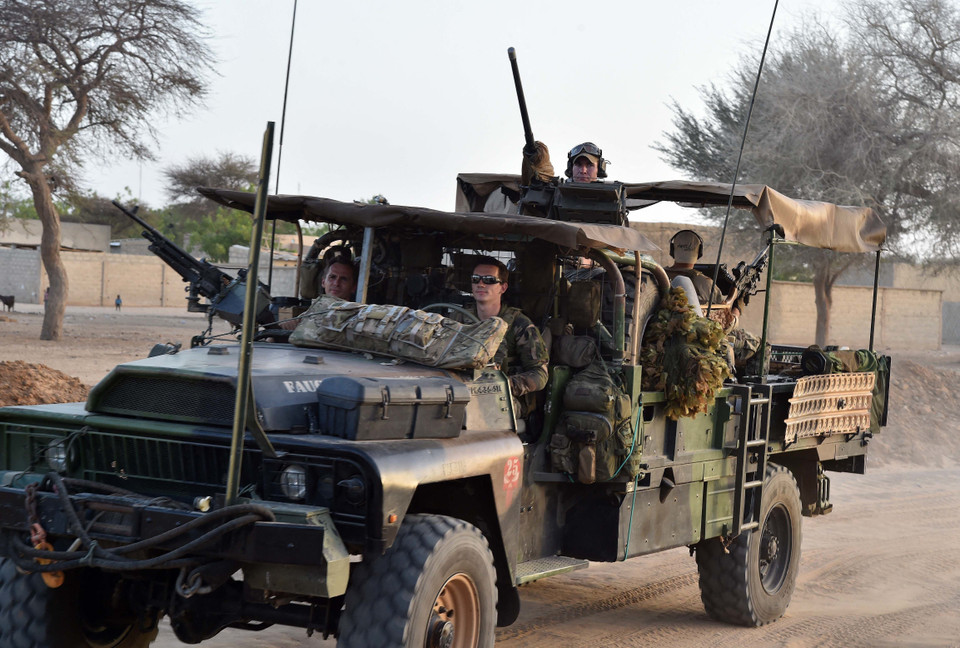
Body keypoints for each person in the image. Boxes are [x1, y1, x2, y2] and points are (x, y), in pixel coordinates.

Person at [665, 229, 761, 371]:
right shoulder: (705, 283)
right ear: (700, 252)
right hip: (698, 343)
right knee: (761, 344)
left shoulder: (659, 275)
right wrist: (738, 307)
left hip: (667, 337)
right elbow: (722, 326)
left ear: (673, 251)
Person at [470, 256, 548, 404]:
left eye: (489, 280)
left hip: (503, 399)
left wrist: (504, 385)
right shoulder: (459, 319)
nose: (480, 284)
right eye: (476, 279)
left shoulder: (519, 325)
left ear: (503, 287)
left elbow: (540, 374)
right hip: (460, 391)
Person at [280, 256, 358, 331]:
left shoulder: (357, 317)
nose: (336, 283)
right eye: (332, 277)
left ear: (353, 287)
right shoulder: (312, 312)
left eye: (343, 279)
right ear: (323, 282)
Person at [522, 141, 608, 185]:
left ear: (599, 168)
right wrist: (537, 157)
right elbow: (543, 175)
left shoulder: (611, 197)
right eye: (578, 164)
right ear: (570, 167)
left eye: (589, 165)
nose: (583, 170)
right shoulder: (557, 191)